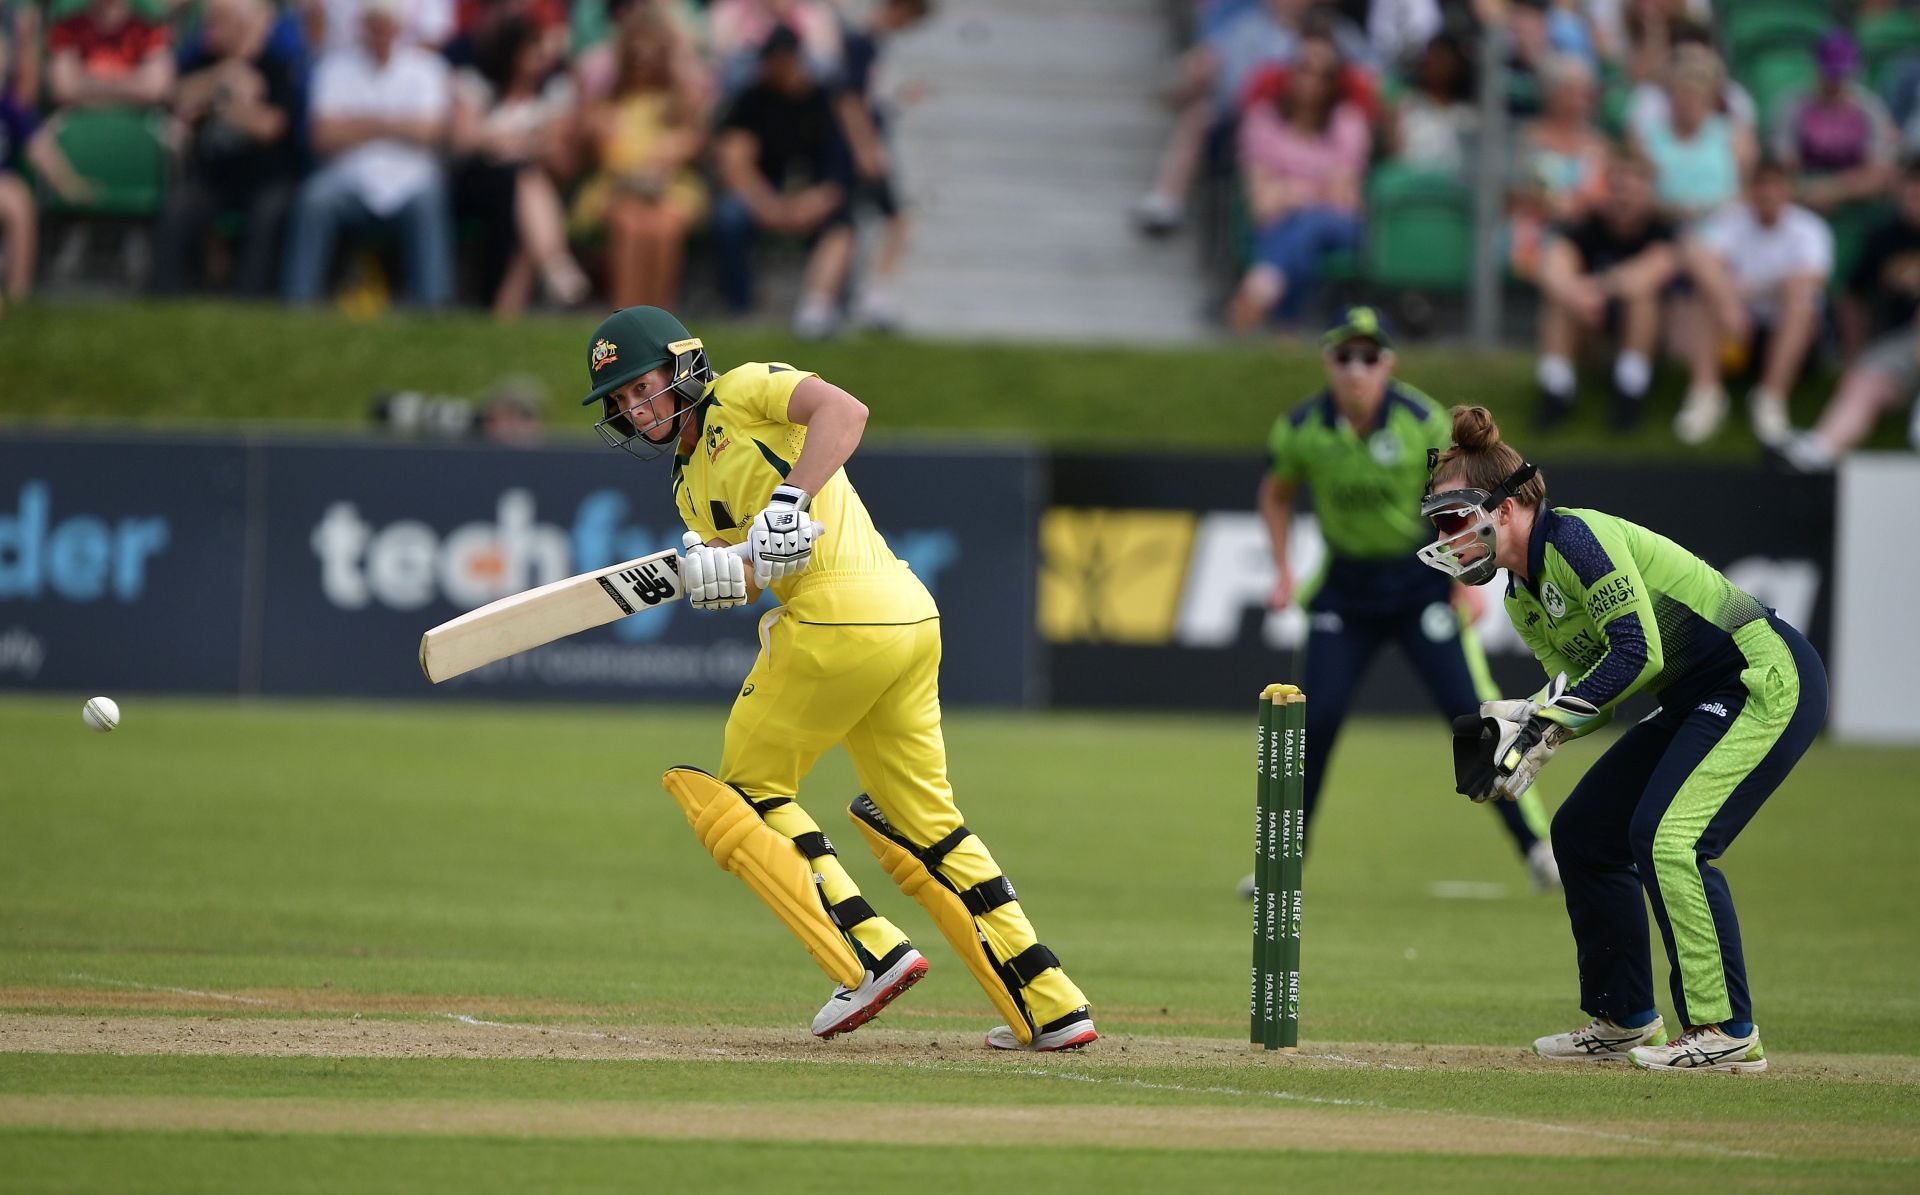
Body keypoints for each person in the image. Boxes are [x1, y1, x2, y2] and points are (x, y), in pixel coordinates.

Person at [579, 304, 1096, 1052]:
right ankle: (1048, 1001)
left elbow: (843, 411)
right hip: (905, 621)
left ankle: (868, 953)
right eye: (622, 401)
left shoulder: (746, 390)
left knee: (748, 791)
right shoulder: (688, 488)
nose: (636, 406)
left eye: (643, 385)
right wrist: (730, 574)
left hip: (841, 619)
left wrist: (790, 498)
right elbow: (767, 561)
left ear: (683, 364)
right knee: (925, 823)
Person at [1421, 404, 1826, 1072]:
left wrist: (1544, 722)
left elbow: (1633, 653)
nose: (1447, 535)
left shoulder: (1576, 540)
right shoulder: (1522, 596)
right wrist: (1530, 726)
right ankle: (1625, 1017)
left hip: (1762, 675)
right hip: (1699, 695)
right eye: (1440, 522)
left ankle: (1726, 1029)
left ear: (1511, 505)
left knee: (1672, 838)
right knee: (1585, 832)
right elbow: (1589, 685)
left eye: (1455, 516)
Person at [1257, 308, 1559, 891]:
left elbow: (1460, 503)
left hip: (1422, 579)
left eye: (1369, 357)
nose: (1356, 370)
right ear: (1328, 362)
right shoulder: (1301, 427)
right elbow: (1275, 493)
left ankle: (1536, 849)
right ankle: (1282, 867)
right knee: (1311, 721)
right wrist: (1282, 569)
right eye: (1344, 356)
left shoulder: (1421, 421)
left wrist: (1461, 579)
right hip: (1345, 590)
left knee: (1474, 716)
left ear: (1387, 364)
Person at [283, 0, 454, 309]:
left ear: (399, 28)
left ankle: (433, 304)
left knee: (428, 200)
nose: (379, 31)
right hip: (348, 179)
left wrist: (360, 124)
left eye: (385, 24)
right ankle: (298, 300)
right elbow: (323, 135)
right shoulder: (334, 67)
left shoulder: (426, 68)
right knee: (314, 199)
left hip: (410, 180)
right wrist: (395, 124)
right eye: (373, 23)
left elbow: (430, 132)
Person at [1673, 158, 1833, 447]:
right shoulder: (1732, 220)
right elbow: (1701, 259)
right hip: (1735, 331)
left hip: (1789, 334)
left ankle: (1771, 397)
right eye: (1761, 185)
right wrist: (1729, 302)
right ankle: (1706, 393)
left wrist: (1741, 293)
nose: (1767, 193)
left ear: (1788, 190)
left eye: (1775, 185)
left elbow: (1808, 280)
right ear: (1750, 189)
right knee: (1704, 294)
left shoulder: (1810, 228)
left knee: (1799, 303)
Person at [150, 0, 304, 298]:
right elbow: (178, 99)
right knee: (178, 209)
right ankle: (163, 294)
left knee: (268, 213)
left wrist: (216, 103)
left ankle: (251, 297)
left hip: (267, 179)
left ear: (243, 25)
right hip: (214, 177)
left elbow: (270, 126)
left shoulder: (276, 63)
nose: (208, 30)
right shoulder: (205, 61)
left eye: (218, 21)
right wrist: (224, 76)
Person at [711, 26, 854, 338]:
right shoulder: (752, 99)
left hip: (813, 191)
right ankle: (740, 306)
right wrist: (767, 204)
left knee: (842, 225)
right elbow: (735, 160)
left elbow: (841, 167)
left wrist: (816, 201)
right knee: (729, 216)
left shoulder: (823, 100)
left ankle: (818, 307)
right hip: (763, 191)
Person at [1781, 159, 1920, 471]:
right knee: (1863, 379)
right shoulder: (1883, 238)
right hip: (1898, 349)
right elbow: (1851, 296)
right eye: (1912, 190)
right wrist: (1855, 351)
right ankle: (1821, 447)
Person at [1225, 32, 1368, 332]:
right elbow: (1261, 205)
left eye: (1323, 74)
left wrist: (1288, 191)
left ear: (1335, 82)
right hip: (1280, 224)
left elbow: (1342, 198)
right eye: (1304, 68)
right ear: (1289, 72)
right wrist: (1313, 190)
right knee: (1300, 235)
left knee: (1310, 223)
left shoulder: (1349, 122)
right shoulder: (1262, 121)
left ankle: (1263, 289)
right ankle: (1288, 327)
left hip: (1339, 226)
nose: (1312, 80)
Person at [447, 12, 587, 315]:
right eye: (531, 48)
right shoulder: (476, 86)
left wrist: (506, 142)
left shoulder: (554, 93)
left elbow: (559, 153)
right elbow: (463, 140)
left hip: (527, 190)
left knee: (524, 191)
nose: (540, 56)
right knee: (523, 180)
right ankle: (556, 264)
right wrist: (523, 142)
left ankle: (505, 311)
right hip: (477, 186)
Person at [571, 4, 706, 310]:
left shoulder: (676, 101)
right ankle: (627, 315)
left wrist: (676, 150)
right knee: (631, 225)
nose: (644, 64)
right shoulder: (609, 101)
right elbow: (592, 147)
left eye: (651, 56)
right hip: (618, 186)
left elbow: (694, 143)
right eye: (637, 57)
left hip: (669, 187)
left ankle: (660, 318)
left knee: (666, 226)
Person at [1532, 153, 1680, 431]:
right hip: (1589, 331)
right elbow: (1551, 265)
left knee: (1642, 297)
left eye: (1633, 189)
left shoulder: (1663, 231)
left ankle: (1629, 393)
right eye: (1617, 188)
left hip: (1649, 340)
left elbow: (1650, 272)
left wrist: (1594, 288)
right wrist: (1575, 294)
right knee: (1559, 299)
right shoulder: (1588, 225)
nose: (1623, 198)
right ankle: (1556, 391)